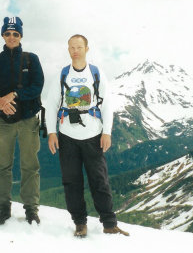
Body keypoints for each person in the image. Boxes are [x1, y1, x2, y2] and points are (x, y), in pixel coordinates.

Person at [46, 34, 129, 237]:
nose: (75, 51)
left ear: (86, 49)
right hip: (67, 135)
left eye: (79, 47)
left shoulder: (96, 73)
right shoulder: (62, 75)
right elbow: (51, 105)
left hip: (93, 134)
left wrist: (107, 132)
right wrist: (51, 132)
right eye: (72, 47)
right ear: (68, 50)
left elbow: (107, 103)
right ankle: (80, 223)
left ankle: (109, 223)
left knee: (99, 180)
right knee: (71, 181)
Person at [0, 16, 44, 225]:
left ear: (21, 36)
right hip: (2, 120)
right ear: (3, 35)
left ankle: (31, 210)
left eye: (15, 34)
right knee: (2, 167)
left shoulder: (31, 59)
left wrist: (14, 95)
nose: (11, 37)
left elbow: (38, 85)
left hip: (27, 119)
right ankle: (2, 209)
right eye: (8, 33)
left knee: (29, 166)